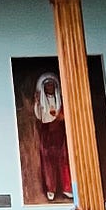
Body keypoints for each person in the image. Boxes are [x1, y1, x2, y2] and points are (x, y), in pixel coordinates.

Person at [32, 72, 71, 202]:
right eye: (47, 86)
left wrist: (59, 116)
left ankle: (67, 188)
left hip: (59, 133)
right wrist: (37, 102)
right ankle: (51, 189)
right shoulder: (41, 100)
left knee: (64, 160)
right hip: (47, 133)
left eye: (51, 85)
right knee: (48, 162)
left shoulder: (60, 100)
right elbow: (39, 115)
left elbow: (63, 115)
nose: (50, 88)